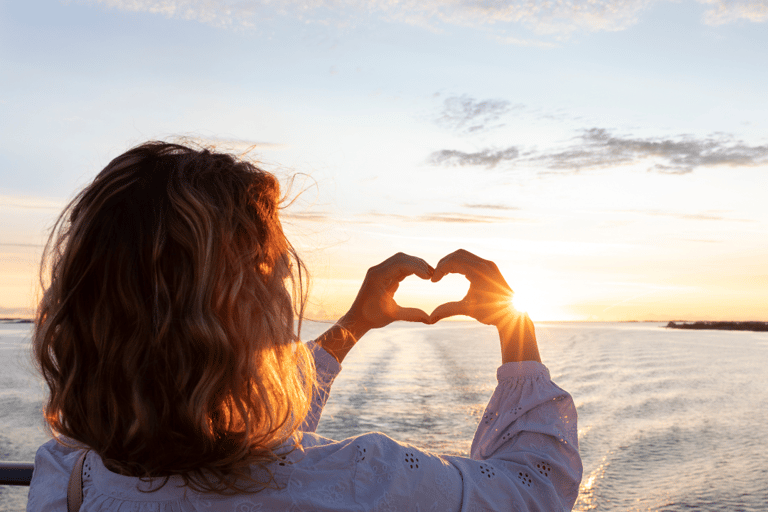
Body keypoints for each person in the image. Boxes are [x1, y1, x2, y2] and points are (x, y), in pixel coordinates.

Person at [28, 141, 582, 511]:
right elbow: (533, 489)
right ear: (247, 306)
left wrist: (352, 326)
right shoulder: (364, 481)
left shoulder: (66, 474)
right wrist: (517, 326)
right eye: (273, 270)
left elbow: (242, 424)